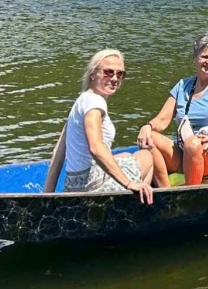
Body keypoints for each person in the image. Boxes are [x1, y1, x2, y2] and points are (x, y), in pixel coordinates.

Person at [44, 49, 155, 202]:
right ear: (92, 74)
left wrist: (46, 196)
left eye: (120, 74)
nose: (115, 78)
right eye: (108, 72)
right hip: (93, 185)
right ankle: (142, 205)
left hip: (73, 184)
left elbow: (58, 153)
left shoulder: (81, 101)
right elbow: (96, 147)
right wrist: (129, 184)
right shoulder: (96, 103)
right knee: (147, 155)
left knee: (127, 156)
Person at [137, 34, 208, 186]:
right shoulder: (182, 86)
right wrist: (147, 127)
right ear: (194, 58)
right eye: (204, 57)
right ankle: (165, 192)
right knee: (150, 138)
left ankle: (191, 193)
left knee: (193, 144)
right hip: (185, 150)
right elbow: (162, 120)